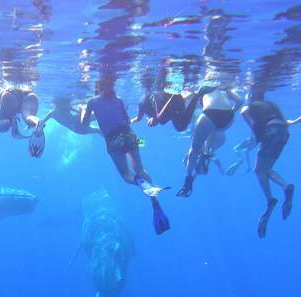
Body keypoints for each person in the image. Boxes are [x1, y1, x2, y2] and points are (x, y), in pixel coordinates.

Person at [81, 78, 170, 235]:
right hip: (130, 135)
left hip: (113, 140)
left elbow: (83, 124)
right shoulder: (119, 99)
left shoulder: (91, 102)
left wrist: (83, 110)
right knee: (140, 169)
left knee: (126, 175)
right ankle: (153, 198)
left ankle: (144, 186)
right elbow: (127, 120)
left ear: (97, 88)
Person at [241, 93, 299, 237]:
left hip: (271, 132)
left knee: (259, 170)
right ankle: (286, 186)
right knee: (265, 169)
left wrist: (257, 134)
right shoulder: (272, 105)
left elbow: (244, 113)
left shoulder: (251, 105)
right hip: (283, 133)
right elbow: (286, 122)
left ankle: (271, 200)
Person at [177, 85, 243, 197]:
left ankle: (188, 180)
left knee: (193, 151)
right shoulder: (224, 88)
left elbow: (183, 99)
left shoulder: (202, 87)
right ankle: (206, 153)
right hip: (228, 119)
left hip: (210, 115)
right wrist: (232, 112)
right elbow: (240, 101)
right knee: (211, 136)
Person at [131, 69, 199, 132]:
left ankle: (195, 95)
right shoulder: (144, 100)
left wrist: (154, 118)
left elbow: (138, 118)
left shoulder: (145, 99)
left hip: (172, 103)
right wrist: (130, 121)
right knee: (180, 127)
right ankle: (195, 95)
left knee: (180, 127)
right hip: (173, 105)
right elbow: (138, 118)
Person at [0, 86, 43, 156]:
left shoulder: (5, 89)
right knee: (28, 117)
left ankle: (10, 121)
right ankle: (37, 122)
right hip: (29, 94)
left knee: (1, 126)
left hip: (10, 94)